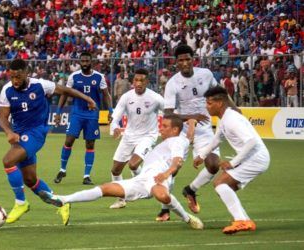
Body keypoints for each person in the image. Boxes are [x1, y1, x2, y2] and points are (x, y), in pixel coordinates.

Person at [39, 114, 204, 230]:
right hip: (140, 180)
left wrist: (167, 174)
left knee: (162, 196)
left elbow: (177, 161)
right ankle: (62, 199)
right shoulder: (179, 139)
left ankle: (188, 218)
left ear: (175, 130)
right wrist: (191, 123)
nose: (160, 129)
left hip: (158, 179)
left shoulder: (176, 141)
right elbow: (189, 138)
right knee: (105, 188)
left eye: (165, 126)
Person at [0, 58, 96, 225]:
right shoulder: (6, 90)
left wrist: (88, 99)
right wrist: (9, 131)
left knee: (8, 161)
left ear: (26, 73)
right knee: (30, 180)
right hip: (20, 135)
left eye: (18, 77)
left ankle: (20, 203)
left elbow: (66, 90)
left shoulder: (41, 85)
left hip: (36, 133)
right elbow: (2, 116)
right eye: (12, 77)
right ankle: (61, 203)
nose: (15, 81)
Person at [194, 86, 270, 234]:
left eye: (209, 103)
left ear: (220, 103)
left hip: (256, 159)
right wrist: (201, 156)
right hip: (252, 158)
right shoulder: (225, 118)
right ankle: (244, 220)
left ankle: (242, 220)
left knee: (220, 184)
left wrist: (233, 162)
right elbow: (217, 139)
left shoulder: (232, 119)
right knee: (223, 187)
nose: (206, 106)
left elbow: (251, 141)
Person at [159, 44, 220, 220]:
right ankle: (165, 208)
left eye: (188, 59)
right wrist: (191, 116)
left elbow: (219, 93)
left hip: (204, 130)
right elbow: (168, 113)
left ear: (193, 59)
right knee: (172, 169)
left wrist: (232, 109)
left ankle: (191, 190)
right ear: (176, 63)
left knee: (214, 165)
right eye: (181, 60)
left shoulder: (206, 74)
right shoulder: (172, 83)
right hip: (181, 130)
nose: (185, 63)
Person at [53, 51, 112, 185]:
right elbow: (65, 93)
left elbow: (105, 95)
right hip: (77, 113)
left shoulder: (99, 77)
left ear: (91, 62)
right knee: (69, 140)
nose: (84, 63)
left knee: (90, 144)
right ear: (80, 62)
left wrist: (110, 110)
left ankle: (86, 175)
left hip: (92, 115)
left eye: (87, 61)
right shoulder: (73, 77)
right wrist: (58, 112)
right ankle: (62, 169)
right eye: (82, 61)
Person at [109, 68, 164, 209]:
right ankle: (121, 199)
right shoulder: (127, 97)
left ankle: (145, 186)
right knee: (115, 170)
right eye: (136, 80)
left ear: (147, 82)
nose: (139, 83)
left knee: (133, 164)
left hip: (148, 136)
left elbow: (170, 111)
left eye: (142, 80)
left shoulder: (155, 98)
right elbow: (116, 115)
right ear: (132, 82)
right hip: (129, 136)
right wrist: (115, 126)